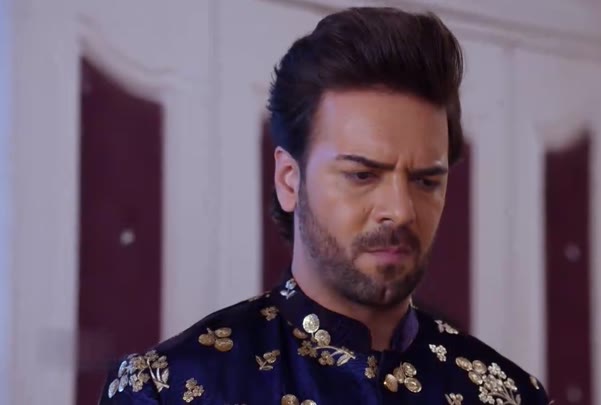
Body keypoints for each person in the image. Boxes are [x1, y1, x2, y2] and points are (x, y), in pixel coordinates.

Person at [99, 6, 551, 405]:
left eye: (426, 181)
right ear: (288, 179)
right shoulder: (166, 389)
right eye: (362, 175)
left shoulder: (510, 394)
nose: (400, 210)